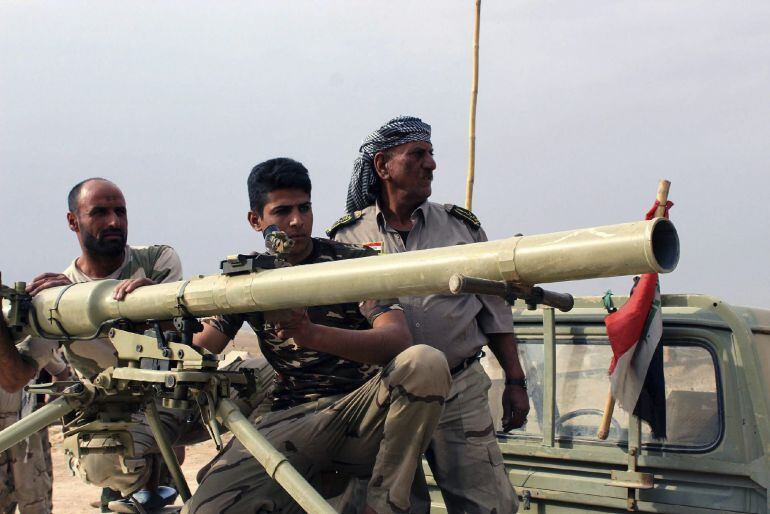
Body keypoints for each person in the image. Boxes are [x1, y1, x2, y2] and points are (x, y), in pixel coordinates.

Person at [184, 157, 450, 514]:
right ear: (255, 220)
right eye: (281, 211)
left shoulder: (350, 264)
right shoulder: (247, 278)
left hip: (359, 413)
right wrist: (148, 309)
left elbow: (397, 341)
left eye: (304, 208)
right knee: (205, 509)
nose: (296, 221)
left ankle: (385, 504)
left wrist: (310, 334)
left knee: (425, 362)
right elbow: (201, 349)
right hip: (294, 418)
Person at [330, 116, 530, 514]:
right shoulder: (346, 238)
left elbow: (495, 313)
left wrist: (515, 379)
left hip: (459, 390)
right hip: (386, 395)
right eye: (417, 155)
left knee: (489, 504)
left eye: (432, 154)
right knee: (393, 504)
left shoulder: (461, 228)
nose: (431, 164)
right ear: (383, 166)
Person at [0, 178, 185, 513]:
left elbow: (176, 342)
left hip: (169, 410)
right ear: (73, 222)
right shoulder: (59, 301)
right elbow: (14, 378)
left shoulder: (156, 262)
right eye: (99, 213)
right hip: (110, 436)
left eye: (120, 211)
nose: (114, 221)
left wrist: (148, 302)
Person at [0, 325, 68, 514]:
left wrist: (47, 412)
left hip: (26, 426)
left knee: (35, 497)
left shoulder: (27, 342)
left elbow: (61, 372)